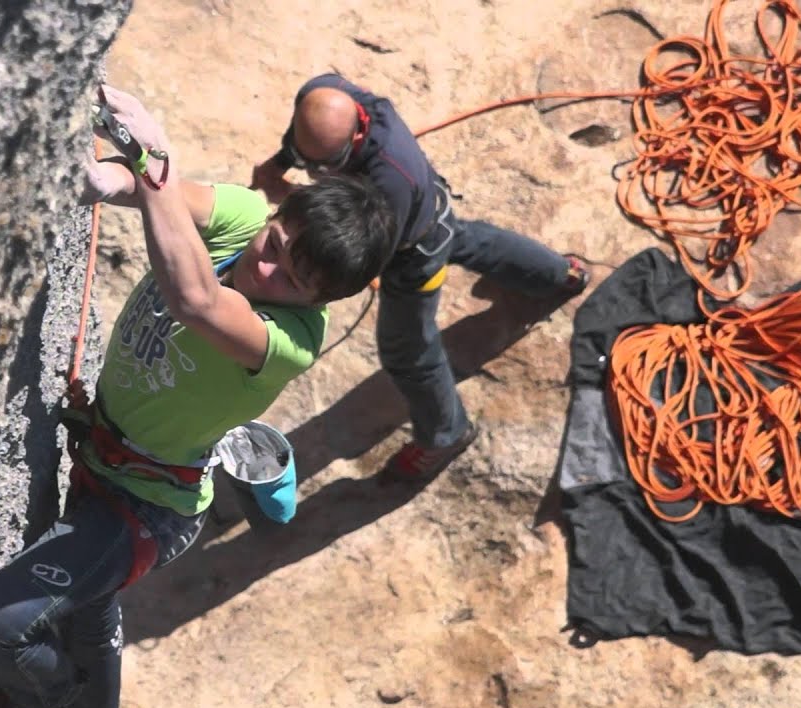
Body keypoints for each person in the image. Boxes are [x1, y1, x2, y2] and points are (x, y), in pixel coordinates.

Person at [0, 84, 394, 708]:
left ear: (320, 301)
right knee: (90, 601)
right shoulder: (249, 217)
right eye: (273, 244)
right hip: (106, 461)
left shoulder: (289, 340)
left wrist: (155, 162)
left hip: (145, 506)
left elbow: (196, 299)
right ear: (277, 219)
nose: (265, 268)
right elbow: (156, 196)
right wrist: (103, 178)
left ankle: (61, 704)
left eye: (292, 280)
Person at [250, 73, 591, 485]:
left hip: (412, 250)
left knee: (406, 348)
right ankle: (559, 274)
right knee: (464, 237)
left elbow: (358, 253)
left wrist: (290, 202)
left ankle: (445, 435)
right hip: (429, 209)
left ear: (356, 135)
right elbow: (306, 131)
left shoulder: (392, 181)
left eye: (324, 167)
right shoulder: (323, 96)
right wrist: (282, 161)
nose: (315, 171)